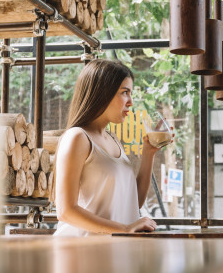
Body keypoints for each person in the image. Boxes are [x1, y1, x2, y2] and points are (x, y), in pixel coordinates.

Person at [53, 59, 161, 236]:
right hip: (80, 253)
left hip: (111, 252)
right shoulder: (78, 138)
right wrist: (125, 229)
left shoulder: (112, 139)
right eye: (125, 92)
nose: (130, 102)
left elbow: (134, 202)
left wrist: (148, 153)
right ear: (102, 93)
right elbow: (66, 211)